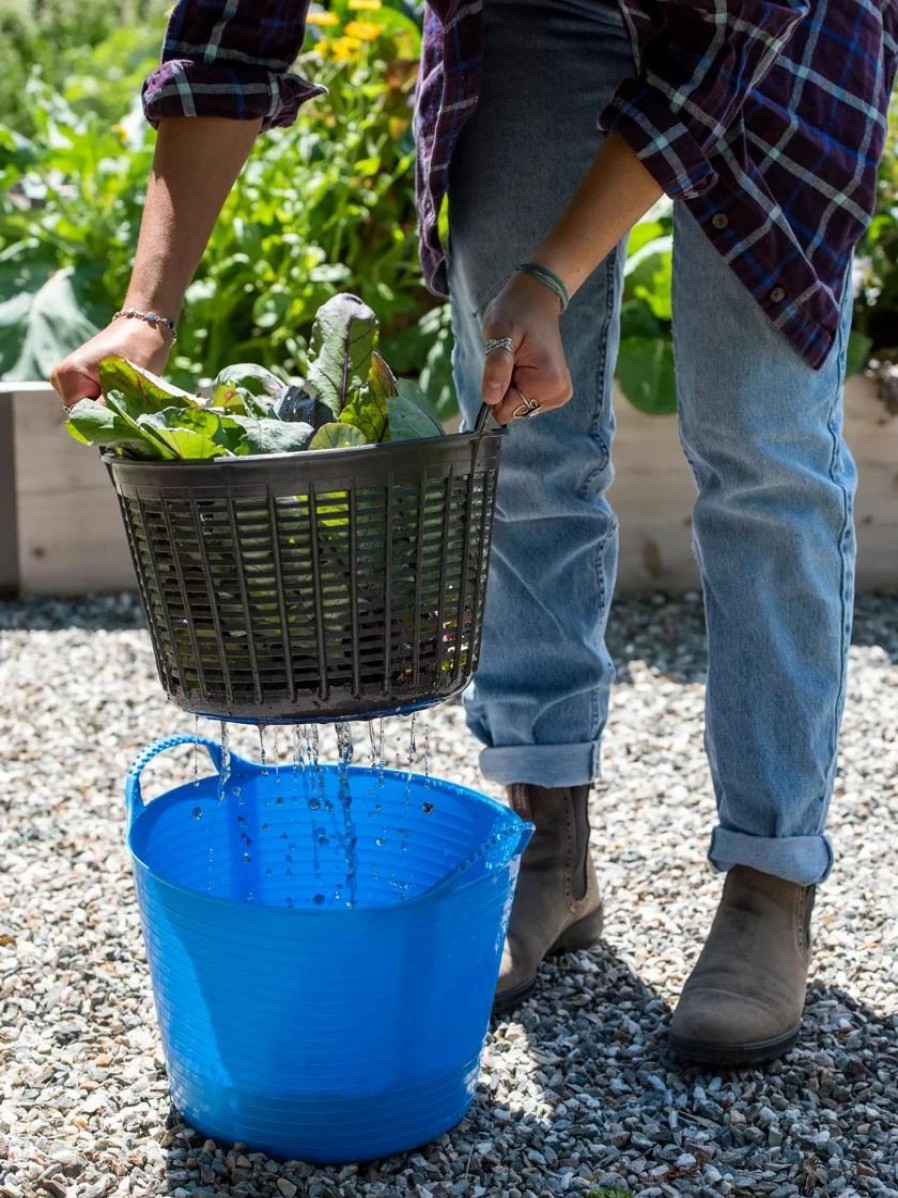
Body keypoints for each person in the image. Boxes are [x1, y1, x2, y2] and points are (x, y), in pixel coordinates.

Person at [51, 0, 897, 1066]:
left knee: (758, 445)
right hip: (539, 15)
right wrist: (149, 311)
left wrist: (552, 274)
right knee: (516, 431)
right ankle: (549, 840)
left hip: (774, 39)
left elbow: (717, 63)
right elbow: (232, 31)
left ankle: (770, 879)